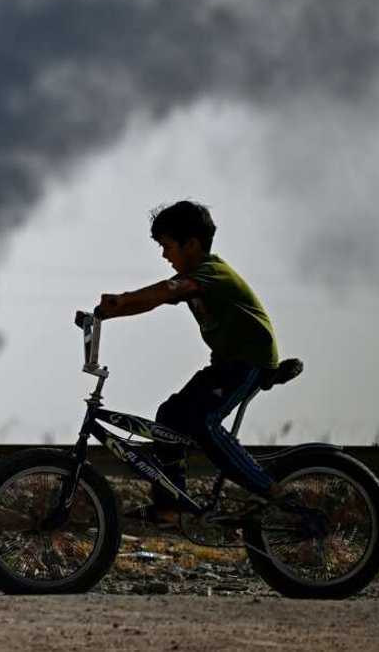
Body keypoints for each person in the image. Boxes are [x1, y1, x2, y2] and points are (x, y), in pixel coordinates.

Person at [94, 199, 284, 525]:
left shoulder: (211, 273)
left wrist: (123, 299)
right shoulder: (195, 278)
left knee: (202, 423)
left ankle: (271, 491)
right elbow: (154, 301)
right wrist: (108, 313)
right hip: (225, 365)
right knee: (169, 417)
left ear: (192, 244)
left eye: (167, 246)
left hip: (248, 363)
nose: (164, 255)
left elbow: (166, 291)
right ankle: (171, 506)